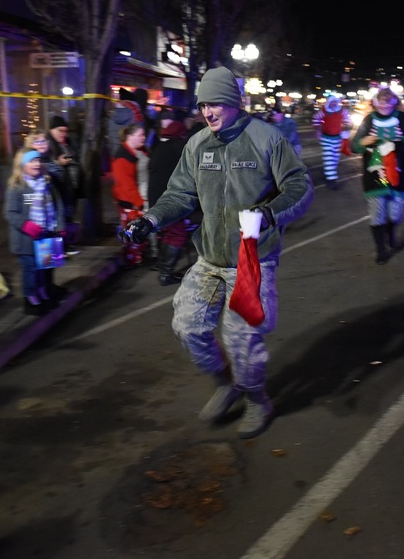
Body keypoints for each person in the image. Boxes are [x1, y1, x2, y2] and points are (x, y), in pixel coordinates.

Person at [119, 66, 313, 439]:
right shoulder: (197, 145)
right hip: (209, 257)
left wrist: (269, 214)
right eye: (203, 105)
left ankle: (256, 399)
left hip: (251, 256)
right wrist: (151, 220)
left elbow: (299, 187)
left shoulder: (266, 139)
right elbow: (180, 194)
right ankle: (227, 383)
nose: (207, 112)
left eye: (215, 104)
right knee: (187, 326)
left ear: (233, 102)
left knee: (242, 338)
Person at [350, 87, 404, 264]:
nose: (385, 106)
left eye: (389, 103)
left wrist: (400, 140)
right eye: (382, 102)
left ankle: (390, 232)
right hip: (375, 172)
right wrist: (363, 142)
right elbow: (354, 146)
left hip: (397, 172)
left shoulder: (403, 119)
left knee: (395, 214)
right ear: (376, 102)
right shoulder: (368, 120)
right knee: (377, 211)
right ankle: (381, 249)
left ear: (395, 102)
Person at [4, 149, 65, 316]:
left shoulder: (47, 183)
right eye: (31, 161)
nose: (36, 164)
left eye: (38, 160)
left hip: (45, 235)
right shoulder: (17, 187)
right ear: (22, 164)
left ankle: (42, 291)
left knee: (44, 267)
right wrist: (25, 225)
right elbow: (10, 212)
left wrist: (59, 225)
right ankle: (30, 296)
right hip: (25, 240)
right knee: (30, 269)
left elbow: (57, 205)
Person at [148, 112, 193, 285]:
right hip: (170, 199)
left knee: (168, 232)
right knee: (177, 233)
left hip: (156, 199)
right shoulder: (178, 148)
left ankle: (163, 268)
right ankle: (166, 273)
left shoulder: (159, 148)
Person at [111, 124, 149, 267]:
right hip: (128, 201)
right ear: (130, 137)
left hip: (135, 198)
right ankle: (132, 260)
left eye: (143, 134)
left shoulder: (139, 151)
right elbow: (127, 184)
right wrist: (140, 202)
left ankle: (136, 257)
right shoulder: (122, 158)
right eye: (140, 135)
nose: (143, 138)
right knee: (132, 230)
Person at [43, 116, 82, 249]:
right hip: (58, 188)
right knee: (59, 217)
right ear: (51, 130)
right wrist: (58, 163)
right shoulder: (47, 145)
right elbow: (45, 165)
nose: (63, 134)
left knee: (68, 215)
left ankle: (66, 243)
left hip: (69, 187)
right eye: (60, 131)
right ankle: (60, 246)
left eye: (65, 131)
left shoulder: (67, 143)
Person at [312, 95, 349, 189]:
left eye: (335, 102)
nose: (334, 104)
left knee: (335, 159)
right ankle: (331, 181)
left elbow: (348, 121)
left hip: (338, 138)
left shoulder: (342, 111)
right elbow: (315, 118)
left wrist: (346, 130)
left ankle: (329, 174)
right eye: (332, 102)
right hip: (326, 138)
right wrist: (318, 130)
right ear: (328, 103)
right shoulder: (324, 111)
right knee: (329, 159)